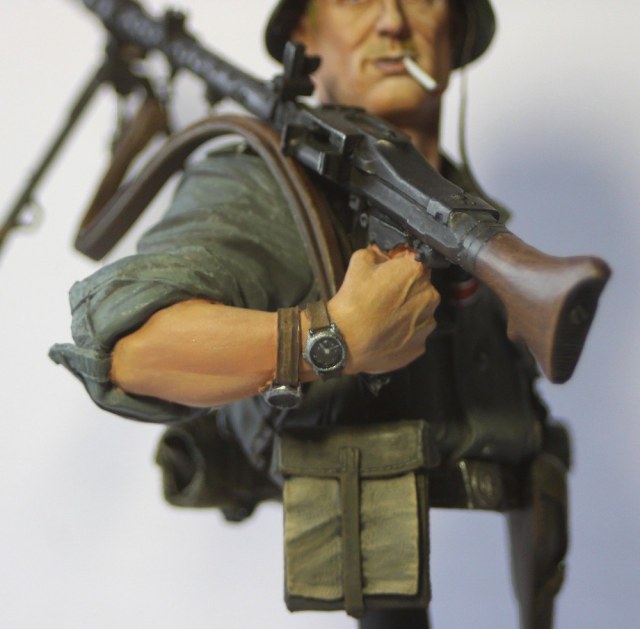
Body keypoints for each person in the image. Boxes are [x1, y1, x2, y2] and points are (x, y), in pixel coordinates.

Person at [50, 1, 570, 627]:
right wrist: (332, 338)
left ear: (455, 32)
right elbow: (126, 347)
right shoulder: (270, 188)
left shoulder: (478, 224)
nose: (393, 22)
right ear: (305, 34)